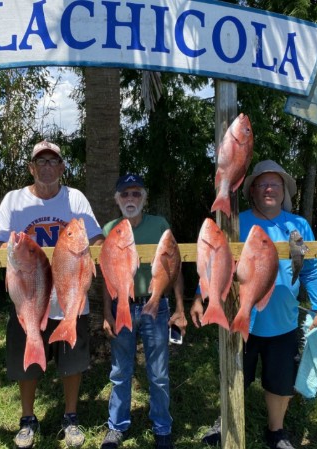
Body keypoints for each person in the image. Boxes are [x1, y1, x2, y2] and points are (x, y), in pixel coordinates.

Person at [190, 160, 317, 449]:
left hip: (283, 321)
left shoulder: (295, 228)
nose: (269, 189)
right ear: (252, 190)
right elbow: (215, 264)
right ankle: (225, 421)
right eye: (262, 184)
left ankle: (276, 432)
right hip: (242, 318)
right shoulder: (236, 223)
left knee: (280, 383)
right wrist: (198, 295)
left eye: (275, 184)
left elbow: (308, 270)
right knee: (234, 375)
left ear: (284, 191)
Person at [0, 140, 104, 449]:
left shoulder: (75, 198)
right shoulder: (14, 201)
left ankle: (70, 417)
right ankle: (27, 419)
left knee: (73, 362)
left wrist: (85, 257)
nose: (47, 167)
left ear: (62, 168)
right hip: (29, 298)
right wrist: (18, 255)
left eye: (53, 162)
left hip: (69, 300)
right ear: (31, 168)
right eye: (40, 162)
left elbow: (95, 238)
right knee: (26, 363)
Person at [100, 174, 187, 449]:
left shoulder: (160, 225)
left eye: (136, 194)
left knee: (159, 372)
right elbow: (106, 276)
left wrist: (180, 309)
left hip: (156, 307)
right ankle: (116, 426)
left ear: (144, 198)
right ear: (117, 200)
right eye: (125, 194)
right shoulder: (109, 229)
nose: (130, 199)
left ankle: (162, 427)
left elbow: (174, 268)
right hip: (121, 306)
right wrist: (106, 313)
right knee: (120, 370)